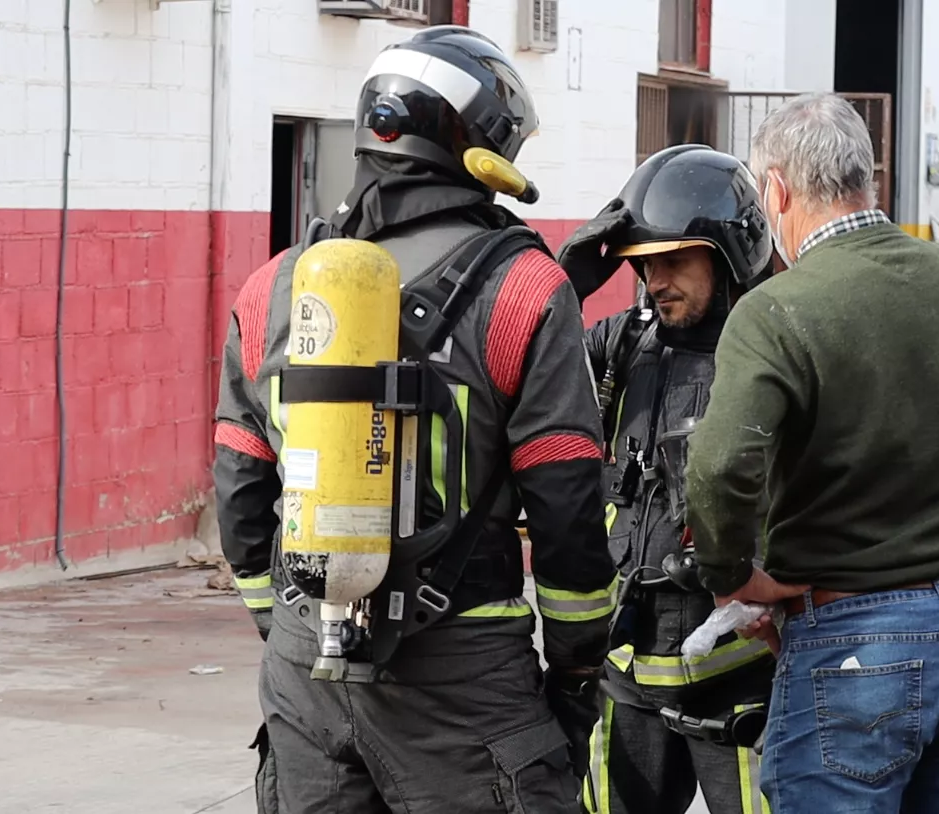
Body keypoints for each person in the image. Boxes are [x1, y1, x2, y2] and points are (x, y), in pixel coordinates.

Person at [212, 26, 616, 814]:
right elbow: (566, 505)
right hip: (462, 677)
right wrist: (574, 664)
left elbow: (238, 487)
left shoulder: (272, 286)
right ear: (481, 146)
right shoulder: (527, 289)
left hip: (303, 671)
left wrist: (286, 625)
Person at [683, 92, 939, 812]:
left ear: (776, 189)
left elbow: (722, 465)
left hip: (858, 647)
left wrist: (733, 576)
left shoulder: (775, 310)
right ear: (868, 181)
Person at [556, 144, 777, 814]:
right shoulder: (621, 346)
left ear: (729, 252)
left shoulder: (774, 352)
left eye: (675, 259)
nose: (657, 280)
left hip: (744, 679)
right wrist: (562, 287)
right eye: (645, 265)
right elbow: (519, 376)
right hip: (627, 672)